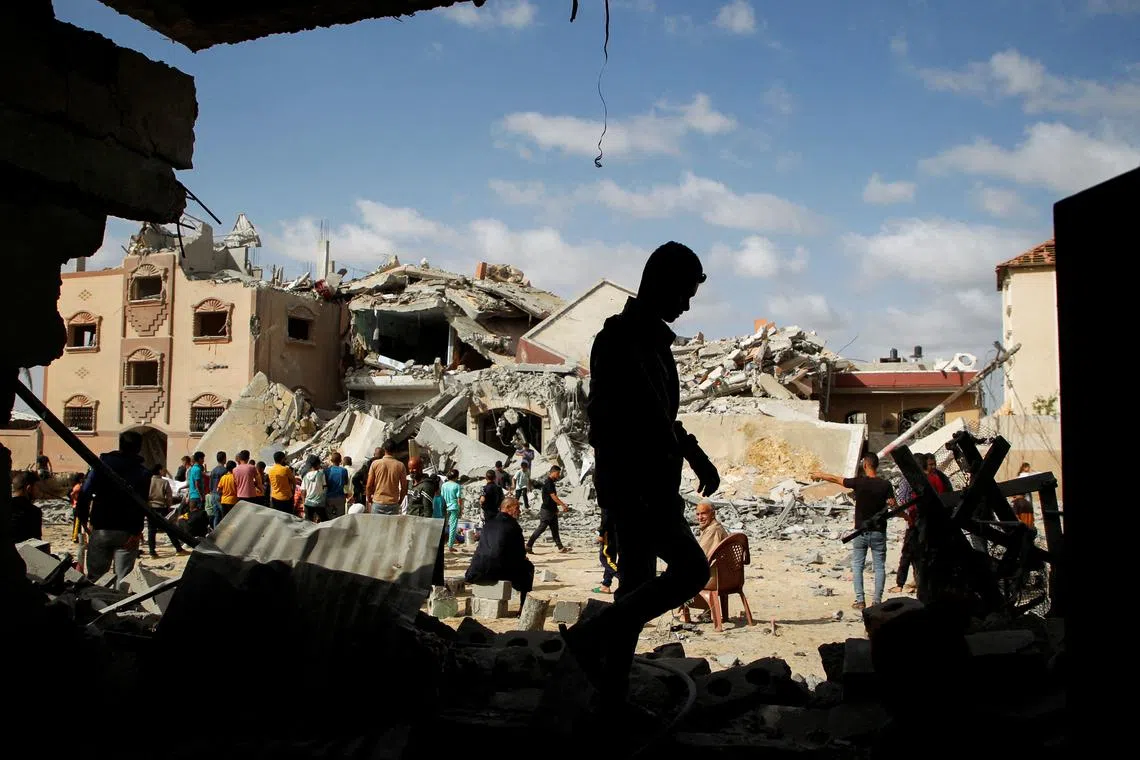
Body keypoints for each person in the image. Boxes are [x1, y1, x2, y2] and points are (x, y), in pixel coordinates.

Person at [561, 242, 717, 711]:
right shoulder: (621, 339)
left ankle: (612, 694)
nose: (686, 305)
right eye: (684, 293)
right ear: (661, 284)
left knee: (635, 586)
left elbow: (661, 416)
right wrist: (676, 455)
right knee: (691, 570)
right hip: (637, 485)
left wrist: (693, 453)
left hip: (647, 483)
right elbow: (621, 419)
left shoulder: (651, 342)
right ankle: (591, 637)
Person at [812, 452, 895, 610]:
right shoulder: (886, 485)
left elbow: (837, 479)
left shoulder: (859, 482)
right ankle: (877, 601)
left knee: (857, 566)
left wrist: (820, 475)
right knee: (879, 567)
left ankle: (860, 600)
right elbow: (893, 504)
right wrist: (906, 516)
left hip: (860, 532)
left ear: (865, 465)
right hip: (879, 532)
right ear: (876, 465)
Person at [76, 431, 153, 580]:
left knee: (96, 579)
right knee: (123, 580)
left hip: (101, 527)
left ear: (120, 445)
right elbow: (142, 503)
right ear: (139, 448)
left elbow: (85, 492)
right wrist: (137, 531)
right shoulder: (142, 473)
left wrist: (84, 520)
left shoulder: (101, 466)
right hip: (127, 532)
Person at [465, 496, 535, 604]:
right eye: (517, 508)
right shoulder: (513, 526)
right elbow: (520, 553)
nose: (519, 512)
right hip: (497, 570)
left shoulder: (488, 523)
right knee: (528, 567)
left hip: (476, 571)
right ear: (508, 507)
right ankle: (523, 606)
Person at [681, 501, 729, 615]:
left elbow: (700, 557)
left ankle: (684, 613)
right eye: (698, 514)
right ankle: (704, 612)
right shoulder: (713, 528)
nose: (700, 518)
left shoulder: (713, 530)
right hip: (726, 576)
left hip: (715, 579)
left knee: (678, 576)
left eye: (703, 514)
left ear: (713, 514)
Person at [889, 453, 923, 594]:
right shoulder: (924, 479)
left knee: (908, 553)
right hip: (920, 521)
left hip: (915, 522)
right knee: (916, 553)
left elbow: (902, 500)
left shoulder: (908, 480)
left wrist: (906, 515)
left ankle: (902, 584)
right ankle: (916, 581)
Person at [526, 465, 572, 554]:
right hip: (547, 511)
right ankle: (528, 545)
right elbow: (553, 496)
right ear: (553, 472)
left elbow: (551, 498)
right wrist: (562, 505)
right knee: (541, 528)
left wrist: (556, 508)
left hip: (552, 510)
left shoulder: (551, 482)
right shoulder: (549, 483)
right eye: (558, 473)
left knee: (555, 529)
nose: (558, 475)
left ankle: (561, 547)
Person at [146, 463, 184, 557]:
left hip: (150, 507)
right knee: (169, 529)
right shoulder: (164, 482)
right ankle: (178, 549)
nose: (164, 472)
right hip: (161, 508)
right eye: (163, 470)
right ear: (159, 471)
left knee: (151, 530)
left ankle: (152, 552)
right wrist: (169, 506)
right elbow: (169, 497)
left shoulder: (148, 481)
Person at [365, 440, 407, 515]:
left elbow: (368, 485)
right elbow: (404, 486)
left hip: (378, 502)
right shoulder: (400, 465)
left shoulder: (375, 464)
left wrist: (369, 499)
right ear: (395, 450)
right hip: (393, 503)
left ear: (384, 449)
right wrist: (400, 501)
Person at [9, 471, 43, 543]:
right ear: (29, 488)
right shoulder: (34, 512)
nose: (39, 491)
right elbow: (36, 543)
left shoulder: (5, 507)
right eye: (38, 488)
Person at [594, 506, 618, 595]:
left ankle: (625, 578)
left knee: (605, 558)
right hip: (617, 531)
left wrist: (601, 533)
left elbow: (606, 517)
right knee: (611, 559)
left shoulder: (608, 499)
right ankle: (605, 585)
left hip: (610, 533)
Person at [441, 469, 464, 552]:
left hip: (445, 507)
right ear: (456, 477)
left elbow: (442, 496)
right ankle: (450, 546)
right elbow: (459, 499)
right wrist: (460, 509)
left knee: (443, 526)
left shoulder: (444, 485)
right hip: (454, 507)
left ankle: (442, 543)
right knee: (453, 527)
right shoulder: (457, 486)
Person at [301, 455, 328, 522]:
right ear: (318, 464)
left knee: (309, 522)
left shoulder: (305, 477)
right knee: (324, 521)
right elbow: (325, 487)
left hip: (308, 503)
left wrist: (304, 503)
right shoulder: (321, 474)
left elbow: (303, 491)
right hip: (319, 503)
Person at [324, 452, 349, 519]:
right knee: (340, 518)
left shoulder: (327, 471)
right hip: (340, 497)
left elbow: (325, 484)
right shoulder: (344, 470)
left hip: (329, 497)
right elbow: (346, 482)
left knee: (330, 518)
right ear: (340, 460)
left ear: (331, 460)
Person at [205, 451, 227, 525]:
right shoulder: (224, 470)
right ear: (224, 459)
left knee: (216, 515)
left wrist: (211, 492)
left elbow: (210, 484)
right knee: (224, 515)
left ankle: (215, 530)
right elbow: (224, 484)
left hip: (213, 494)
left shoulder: (213, 470)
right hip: (220, 494)